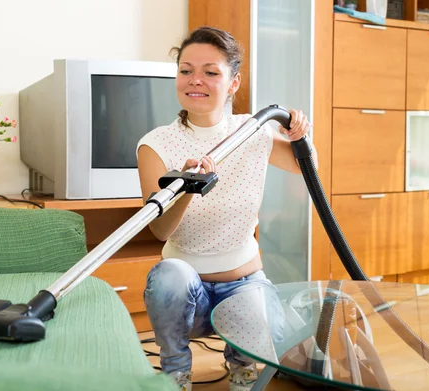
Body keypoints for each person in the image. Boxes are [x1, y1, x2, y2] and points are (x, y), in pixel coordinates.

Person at [136, 26, 317, 391]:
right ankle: (175, 370)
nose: (195, 80)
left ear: (233, 83)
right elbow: (160, 230)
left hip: (244, 285)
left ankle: (242, 364)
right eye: (186, 70)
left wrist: (301, 137)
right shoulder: (155, 145)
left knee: (267, 334)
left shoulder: (253, 132)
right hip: (187, 295)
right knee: (168, 274)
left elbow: (305, 168)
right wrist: (187, 187)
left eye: (211, 72)